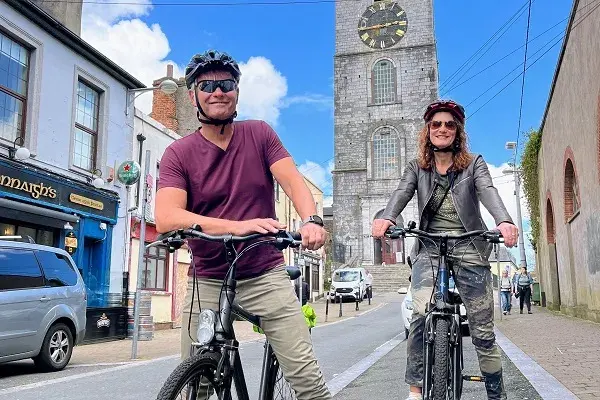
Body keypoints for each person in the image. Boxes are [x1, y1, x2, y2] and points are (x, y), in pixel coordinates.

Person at [154, 50, 331, 400]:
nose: (218, 91)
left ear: (236, 92)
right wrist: (236, 226)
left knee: (307, 381)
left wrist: (311, 220)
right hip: (208, 278)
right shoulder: (179, 153)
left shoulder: (259, 134)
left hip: (264, 273)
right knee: (198, 385)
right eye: (208, 85)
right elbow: (167, 217)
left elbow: (294, 182)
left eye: (226, 84)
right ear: (193, 95)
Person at [371, 99, 519, 400]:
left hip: (467, 244)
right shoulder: (417, 167)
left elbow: (488, 191)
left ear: (458, 132)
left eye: (449, 124)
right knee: (419, 313)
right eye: (436, 124)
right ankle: (414, 392)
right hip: (429, 246)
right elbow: (402, 191)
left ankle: (496, 394)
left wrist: (503, 221)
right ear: (428, 131)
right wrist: (387, 217)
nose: (442, 129)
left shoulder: (473, 164)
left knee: (482, 329)